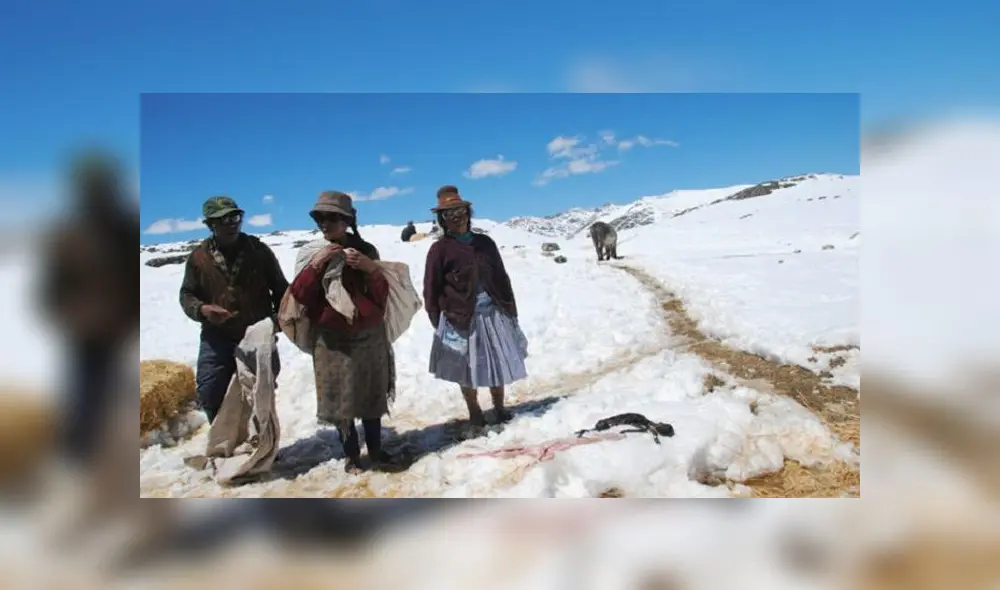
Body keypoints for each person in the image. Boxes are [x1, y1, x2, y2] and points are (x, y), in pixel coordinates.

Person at [288, 191, 397, 474]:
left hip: (369, 334)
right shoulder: (311, 253)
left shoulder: (366, 250)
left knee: (372, 393)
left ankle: (375, 449)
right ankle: (351, 455)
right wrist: (316, 266)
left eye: (332, 218)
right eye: (320, 218)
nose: (325, 224)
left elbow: (381, 295)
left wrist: (371, 269)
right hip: (332, 338)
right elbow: (300, 294)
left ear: (347, 220)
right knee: (341, 399)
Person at [423, 185, 528, 439]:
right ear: (442, 219)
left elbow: (501, 276)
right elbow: (431, 288)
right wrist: (438, 320)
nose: (456, 218)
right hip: (460, 318)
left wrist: (510, 308)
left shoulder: (485, 244)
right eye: (449, 214)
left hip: (492, 313)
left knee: (496, 362)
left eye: (460, 211)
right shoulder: (440, 250)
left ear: (468, 213)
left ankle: (499, 408)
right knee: (466, 368)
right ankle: (474, 412)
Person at [179, 196, 289, 424]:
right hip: (216, 335)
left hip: (256, 333)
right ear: (210, 225)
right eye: (223, 220)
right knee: (210, 390)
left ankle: (261, 441)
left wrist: (277, 321)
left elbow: (281, 289)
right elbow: (187, 294)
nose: (231, 224)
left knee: (260, 390)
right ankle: (225, 440)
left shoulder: (259, 251)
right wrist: (203, 309)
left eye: (235, 217)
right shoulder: (198, 257)